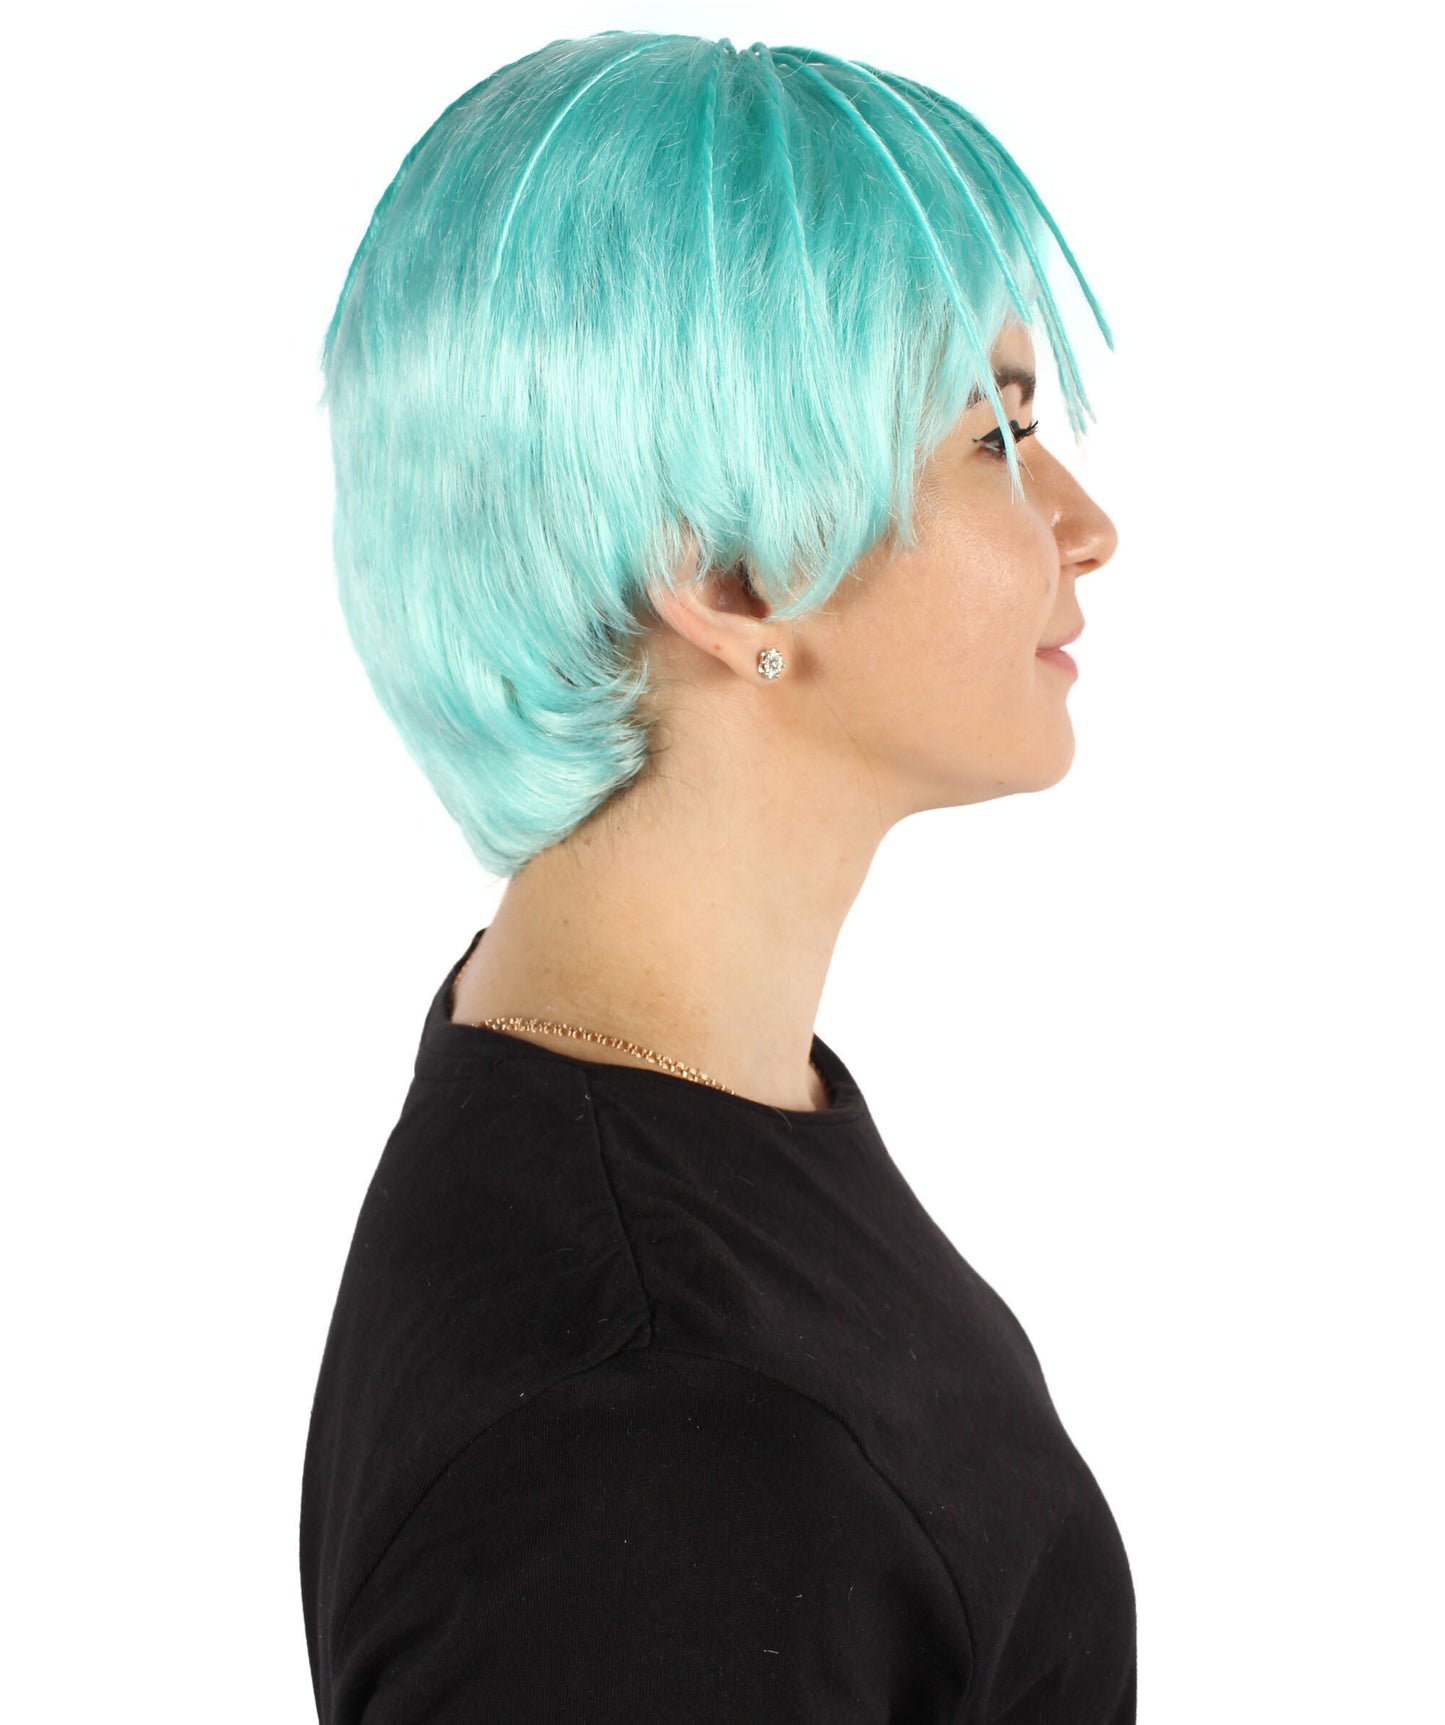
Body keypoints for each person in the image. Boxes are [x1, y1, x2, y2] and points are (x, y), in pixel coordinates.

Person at [300, 30, 1133, 1723]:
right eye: (992, 436)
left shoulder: (657, 1100)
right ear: (733, 573)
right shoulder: (644, 1442)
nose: (1084, 521)